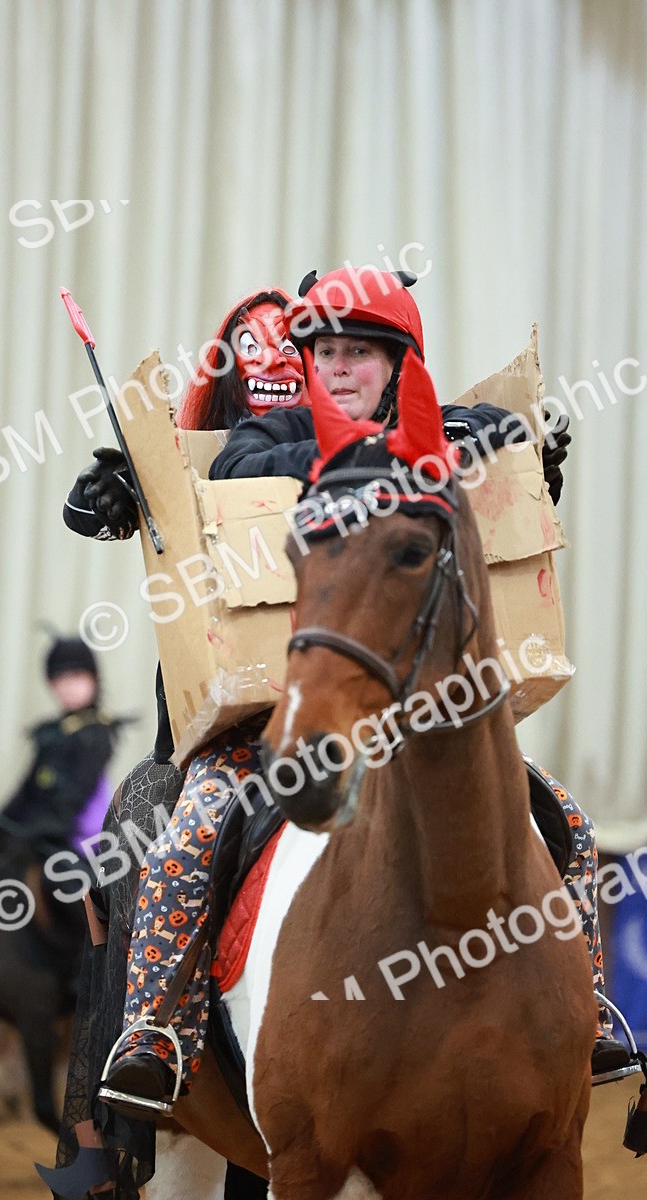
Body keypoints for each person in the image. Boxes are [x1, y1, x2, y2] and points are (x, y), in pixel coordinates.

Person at [97, 267, 625, 1122]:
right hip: (286, 716)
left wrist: (520, 445)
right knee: (194, 826)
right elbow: (241, 462)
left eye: (359, 354)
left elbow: (499, 429)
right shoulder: (269, 435)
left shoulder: (452, 426)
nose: (338, 369)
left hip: (427, 719)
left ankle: (587, 1009)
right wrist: (366, 456)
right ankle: (156, 1023)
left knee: (563, 815)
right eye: (325, 353)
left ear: (401, 362)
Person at [50, 290, 306, 1199]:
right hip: (226, 741)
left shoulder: (365, 455)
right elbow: (104, 510)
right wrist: (119, 487)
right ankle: (151, 1040)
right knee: (156, 826)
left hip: (357, 722)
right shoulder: (197, 461)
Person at [0, 635, 123, 869]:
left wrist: (36, 831)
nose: (68, 687)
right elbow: (29, 788)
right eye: (60, 679)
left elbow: (74, 796)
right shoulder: (51, 733)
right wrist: (2, 822)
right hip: (44, 829)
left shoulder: (97, 733)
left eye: (76, 677)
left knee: (58, 883)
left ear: (94, 679)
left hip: (82, 839)